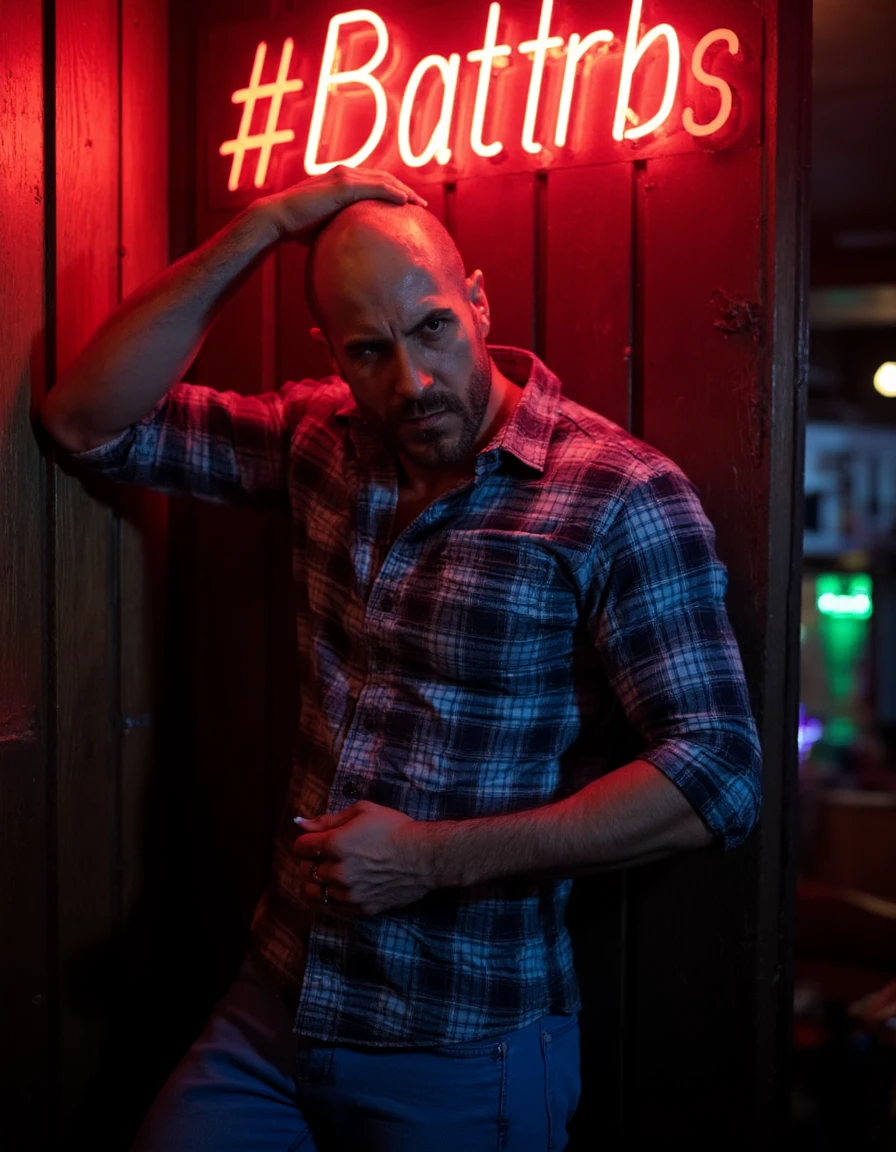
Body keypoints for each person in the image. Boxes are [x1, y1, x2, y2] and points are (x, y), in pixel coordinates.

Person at [40, 166, 762, 1151]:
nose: (412, 383)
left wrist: (430, 858)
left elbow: (715, 776)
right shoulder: (320, 439)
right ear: (331, 355)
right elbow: (86, 419)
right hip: (277, 997)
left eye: (432, 329)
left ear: (476, 300)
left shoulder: (617, 493)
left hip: (462, 1044)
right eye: (369, 352)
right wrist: (260, 228)